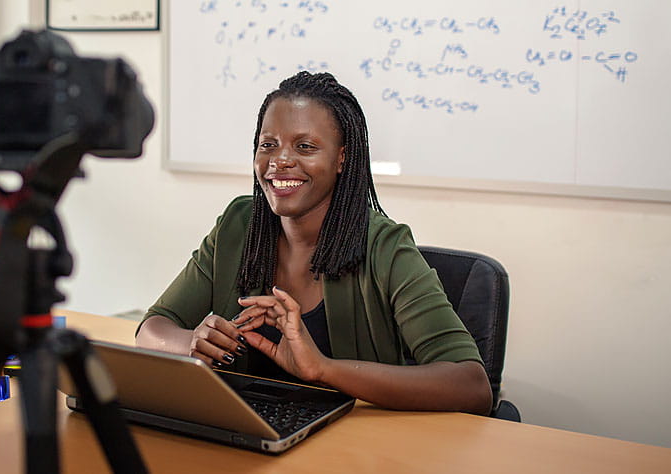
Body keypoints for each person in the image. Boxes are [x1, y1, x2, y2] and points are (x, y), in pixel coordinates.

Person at [136, 71, 492, 415]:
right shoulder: (238, 226)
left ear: (342, 158)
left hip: (358, 451)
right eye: (268, 145)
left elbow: (471, 386)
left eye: (305, 146)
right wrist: (191, 342)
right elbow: (153, 328)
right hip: (246, 435)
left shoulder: (385, 247)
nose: (281, 160)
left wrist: (321, 369)